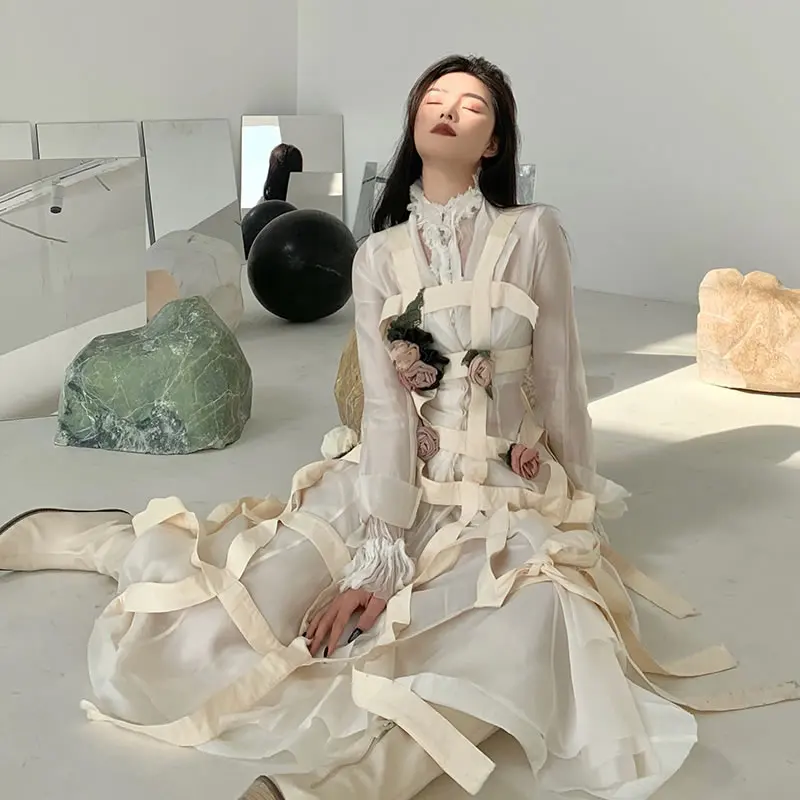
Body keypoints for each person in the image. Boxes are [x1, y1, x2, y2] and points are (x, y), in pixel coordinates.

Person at [1, 55, 793, 800]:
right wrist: (380, 557)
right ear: (414, 124)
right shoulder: (377, 257)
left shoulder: (534, 233)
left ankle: (343, 786)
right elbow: (384, 407)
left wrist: (578, 498)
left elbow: (559, 371)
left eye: (472, 106)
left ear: (494, 143)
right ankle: (103, 541)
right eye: (434, 101)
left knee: (530, 618)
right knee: (247, 607)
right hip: (390, 481)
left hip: (505, 493)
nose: (449, 112)